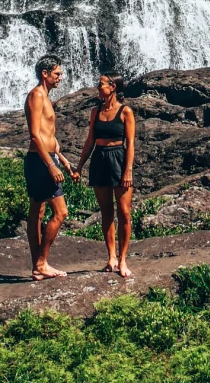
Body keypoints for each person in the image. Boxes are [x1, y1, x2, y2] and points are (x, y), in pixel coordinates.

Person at [24, 54, 79, 281]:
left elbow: (49, 137)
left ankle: (38, 266)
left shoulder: (45, 97)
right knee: (61, 211)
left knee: (37, 212)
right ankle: (41, 262)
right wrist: (51, 165)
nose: (60, 78)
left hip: (45, 159)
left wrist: (63, 161)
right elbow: (35, 135)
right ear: (44, 74)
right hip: (40, 161)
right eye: (57, 74)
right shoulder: (37, 95)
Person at [75, 72, 135, 278]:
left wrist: (128, 170)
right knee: (106, 212)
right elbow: (90, 140)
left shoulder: (126, 112)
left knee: (124, 212)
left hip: (119, 158)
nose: (98, 88)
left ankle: (124, 259)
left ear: (113, 87)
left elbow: (130, 144)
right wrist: (80, 165)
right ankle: (111, 257)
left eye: (101, 85)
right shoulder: (96, 111)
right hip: (99, 159)